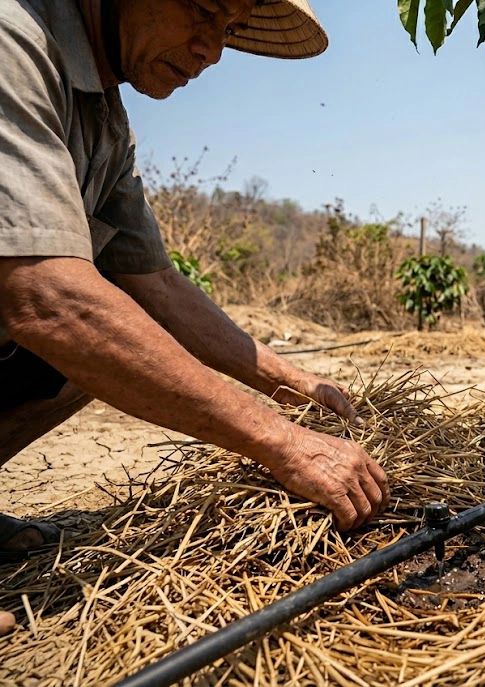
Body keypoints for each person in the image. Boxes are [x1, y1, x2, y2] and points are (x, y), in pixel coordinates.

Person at [0, 0, 389, 637]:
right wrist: (283, 442)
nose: (212, 50)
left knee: (108, 344)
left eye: (229, 28)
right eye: (203, 10)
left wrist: (289, 383)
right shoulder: (12, 42)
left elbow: (151, 281)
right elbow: (47, 299)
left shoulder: (106, 118)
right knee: (84, 331)